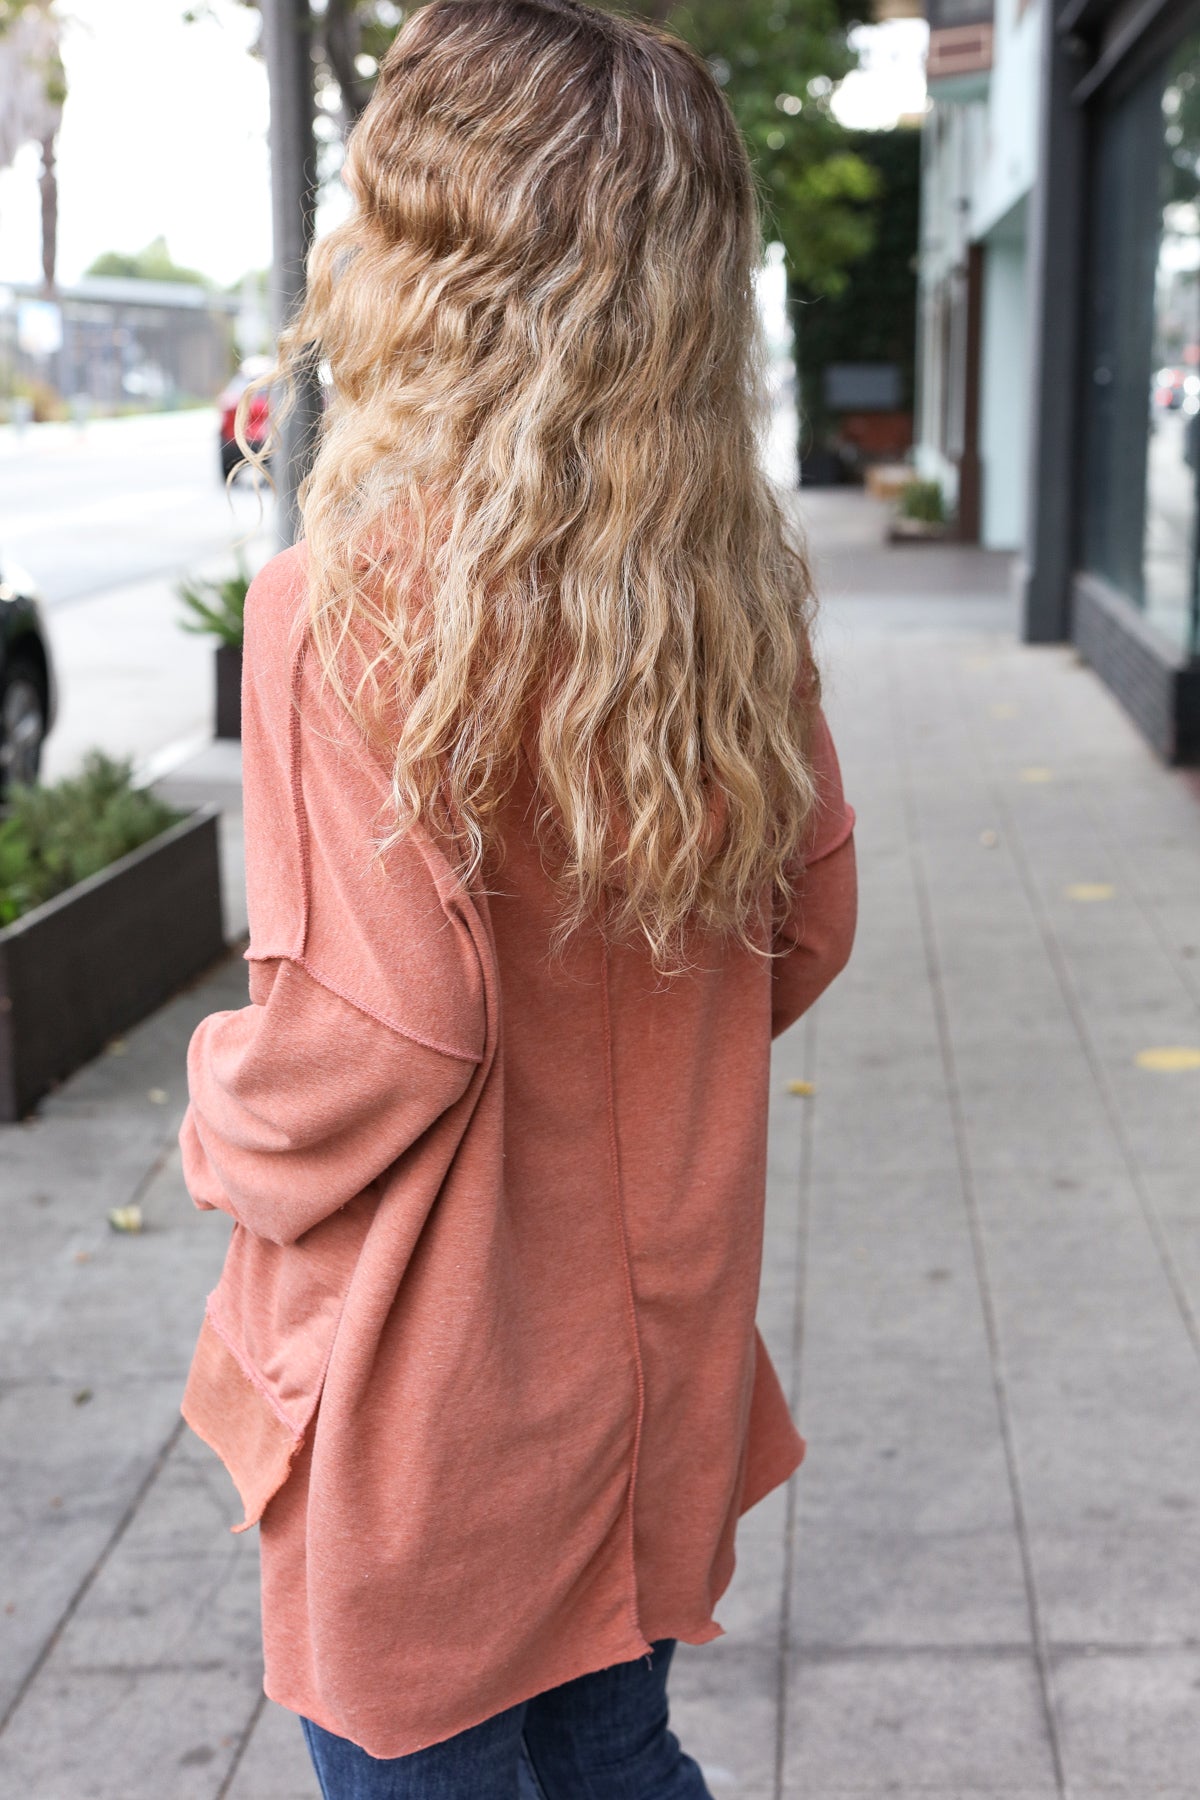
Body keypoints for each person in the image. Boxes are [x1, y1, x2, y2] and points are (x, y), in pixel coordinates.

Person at [177, 1, 857, 1794]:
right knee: (619, 1753)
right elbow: (810, 927)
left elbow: (380, 1030)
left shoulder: (347, 603)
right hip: (653, 1352)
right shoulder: (730, 597)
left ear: (425, 246)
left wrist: (214, 1125)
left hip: (439, 1387)